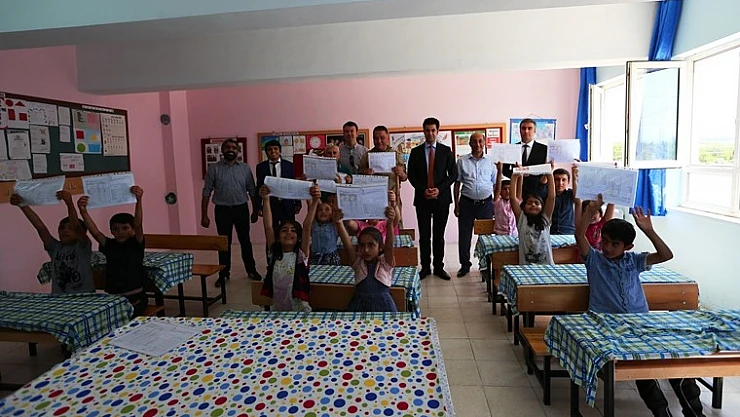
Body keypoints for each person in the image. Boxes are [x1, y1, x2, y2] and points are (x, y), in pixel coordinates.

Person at [576, 197, 701, 417]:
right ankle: (661, 412)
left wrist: (649, 230)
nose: (607, 247)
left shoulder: (633, 260)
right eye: (605, 241)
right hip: (608, 326)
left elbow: (666, 255)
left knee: (675, 360)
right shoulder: (595, 260)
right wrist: (590, 211)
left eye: (615, 244)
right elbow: (579, 235)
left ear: (628, 247)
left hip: (642, 324)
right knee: (642, 367)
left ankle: (695, 412)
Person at [78, 186, 148, 316]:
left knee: (130, 321)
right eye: (115, 229)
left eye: (125, 228)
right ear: (111, 231)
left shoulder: (135, 243)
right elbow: (95, 232)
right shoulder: (109, 244)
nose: (120, 232)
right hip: (113, 298)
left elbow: (138, 224)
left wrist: (139, 200)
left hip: (136, 297)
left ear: (133, 230)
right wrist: (83, 212)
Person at [201, 138, 262, 286]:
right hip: (222, 210)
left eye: (234, 148)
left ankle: (251, 270)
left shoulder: (245, 168)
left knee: (245, 241)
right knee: (223, 243)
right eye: (227, 147)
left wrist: (255, 210)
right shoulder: (214, 168)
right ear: (222, 150)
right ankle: (223, 274)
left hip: (241, 209)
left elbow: (252, 190)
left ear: (238, 151)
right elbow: (207, 191)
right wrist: (204, 215)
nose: (230, 150)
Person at [11, 190, 93, 294]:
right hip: (59, 298)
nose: (65, 231)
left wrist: (69, 203)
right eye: (61, 228)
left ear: (82, 233)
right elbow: (40, 228)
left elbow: (77, 227)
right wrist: (22, 204)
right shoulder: (55, 247)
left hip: (84, 296)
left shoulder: (83, 246)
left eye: (70, 228)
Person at [407, 117, 457, 280]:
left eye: (433, 130)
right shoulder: (415, 152)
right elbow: (411, 175)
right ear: (424, 131)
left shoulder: (446, 151)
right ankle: (425, 267)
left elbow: (453, 174)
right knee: (424, 236)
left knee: (438, 236)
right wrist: (423, 190)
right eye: (427, 130)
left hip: (441, 200)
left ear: (437, 131)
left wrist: (439, 189)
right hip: (422, 200)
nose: (430, 133)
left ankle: (439, 267)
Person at [258, 183, 319, 312]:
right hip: (278, 310)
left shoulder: (301, 255)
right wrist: (266, 199)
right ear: (278, 237)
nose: (289, 233)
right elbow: (268, 226)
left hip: (300, 311)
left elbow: (307, 227)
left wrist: (314, 202)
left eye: (293, 231)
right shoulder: (274, 253)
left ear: (299, 237)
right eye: (284, 230)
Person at [336, 200, 399, 312]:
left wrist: (390, 222)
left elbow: (389, 246)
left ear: (380, 247)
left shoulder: (385, 263)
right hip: (359, 306)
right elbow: (347, 244)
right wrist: (339, 223)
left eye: (371, 245)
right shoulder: (358, 263)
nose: (366, 250)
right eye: (362, 245)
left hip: (384, 306)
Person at [453, 132, 496, 277]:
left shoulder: (491, 161)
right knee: (464, 236)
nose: (477, 144)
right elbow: (457, 184)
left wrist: (495, 204)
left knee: (486, 237)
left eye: (480, 141)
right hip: (466, 203)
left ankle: (485, 266)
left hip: (486, 203)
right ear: (470, 143)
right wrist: (456, 205)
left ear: (484, 142)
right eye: (474, 141)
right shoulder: (462, 161)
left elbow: (495, 183)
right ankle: (465, 265)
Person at [359, 125, 408, 223]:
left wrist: (401, 173)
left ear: (388, 138)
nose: (379, 141)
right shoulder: (366, 156)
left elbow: (405, 177)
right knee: (374, 227)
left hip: (392, 198)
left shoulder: (396, 155)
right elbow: (358, 178)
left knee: (395, 225)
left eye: (382, 138)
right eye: (376, 138)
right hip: (372, 199)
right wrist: (365, 173)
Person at [510, 167, 555, 265]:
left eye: (537, 203)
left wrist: (549, 173)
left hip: (547, 266)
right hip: (526, 267)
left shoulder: (545, 218)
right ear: (524, 207)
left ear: (542, 207)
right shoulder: (522, 219)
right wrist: (514, 176)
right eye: (529, 203)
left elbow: (551, 197)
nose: (533, 205)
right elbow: (513, 198)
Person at [256, 139, 303, 233]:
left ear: (280, 151)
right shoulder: (261, 167)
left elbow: (293, 184)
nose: (273, 151)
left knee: (289, 228)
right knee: (271, 229)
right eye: (269, 149)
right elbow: (259, 187)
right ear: (266, 152)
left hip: (287, 203)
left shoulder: (289, 165)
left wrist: (298, 203)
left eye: (275, 149)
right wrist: (258, 206)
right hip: (270, 204)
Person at [502, 118, 548, 199]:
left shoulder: (544, 149)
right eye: (523, 128)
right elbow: (505, 170)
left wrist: (530, 173)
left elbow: (545, 170)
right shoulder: (511, 148)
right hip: (516, 191)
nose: (526, 131)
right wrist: (517, 173)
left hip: (537, 191)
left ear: (535, 131)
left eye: (529, 128)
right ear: (520, 130)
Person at [309, 195, 341, 266]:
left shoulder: (334, 225)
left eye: (327, 209)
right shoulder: (314, 224)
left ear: (332, 213)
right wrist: (315, 196)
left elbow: (336, 207)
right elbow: (311, 205)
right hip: (315, 257)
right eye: (320, 210)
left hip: (331, 257)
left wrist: (336, 192)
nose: (323, 212)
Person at [550, 166, 578, 235]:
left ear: (568, 182)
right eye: (557, 179)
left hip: (568, 232)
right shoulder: (548, 195)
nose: (560, 183)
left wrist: (574, 178)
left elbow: (577, 198)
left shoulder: (570, 194)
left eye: (564, 180)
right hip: (551, 232)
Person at [493, 161, 517, 237]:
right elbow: (497, 188)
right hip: (500, 235)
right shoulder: (497, 202)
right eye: (504, 189)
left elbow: (518, 188)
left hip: (514, 235)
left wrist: (517, 172)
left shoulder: (515, 202)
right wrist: (500, 170)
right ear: (500, 191)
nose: (507, 191)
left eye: (510, 189)